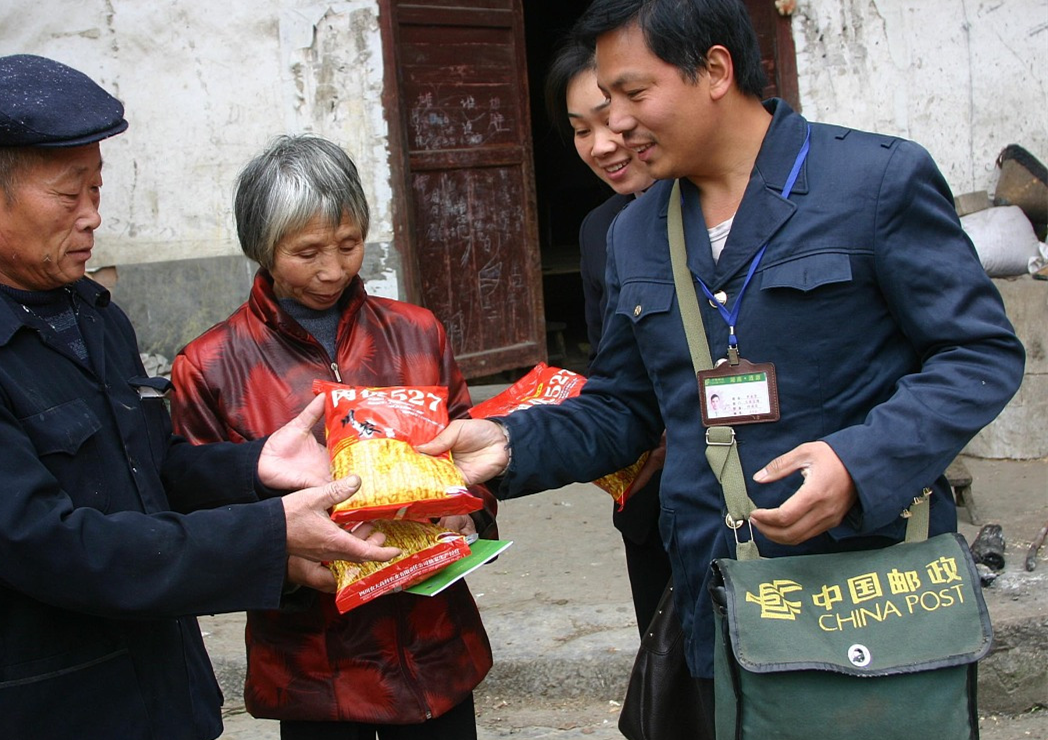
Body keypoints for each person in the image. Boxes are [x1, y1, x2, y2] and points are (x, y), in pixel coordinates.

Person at [420, 0, 1025, 729]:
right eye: (608, 101)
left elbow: (978, 351)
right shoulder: (636, 231)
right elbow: (625, 407)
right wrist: (511, 443)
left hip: (866, 584)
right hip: (719, 589)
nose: (616, 124)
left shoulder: (873, 182)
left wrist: (860, 464)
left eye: (635, 95)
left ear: (714, 70)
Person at [0, 55, 400, 740]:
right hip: (58, 715)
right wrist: (268, 535)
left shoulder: (94, 319)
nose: (93, 216)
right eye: (70, 195)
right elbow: (55, 548)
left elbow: (149, 474)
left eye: (97, 188)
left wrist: (255, 466)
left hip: (168, 696)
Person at [170, 134, 497, 739]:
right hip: (312, 666)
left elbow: (468, 450)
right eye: (307, 252)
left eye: (349, 245)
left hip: (430, 646)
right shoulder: (211, 366)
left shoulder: (416, 332)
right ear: (262, 250)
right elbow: (201, 512)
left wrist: (466, 514)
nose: (333, 269)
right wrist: (285, 559)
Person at [543, 38, 668, 634]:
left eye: (613, 118)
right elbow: (614, 373)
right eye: (580, 129)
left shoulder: (724, 208)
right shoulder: (602, 230)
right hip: (651, 494)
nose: (603, 144)